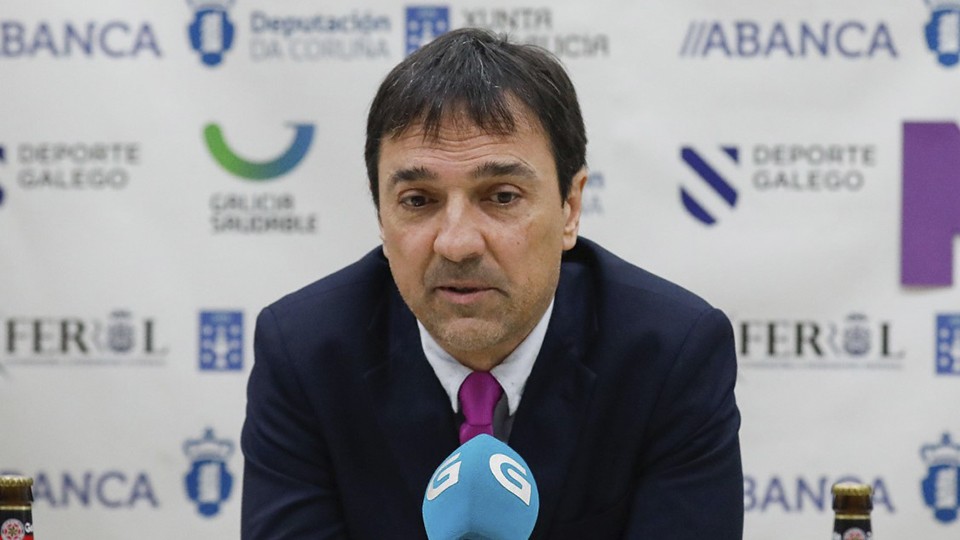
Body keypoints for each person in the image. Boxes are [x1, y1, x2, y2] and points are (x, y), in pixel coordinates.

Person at [241, 28, 743, 539]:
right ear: (380, 215)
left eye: (501, 197)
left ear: (570, 208)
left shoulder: (671, 354)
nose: (457, 244)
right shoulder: (305, 353)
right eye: (418, 200)